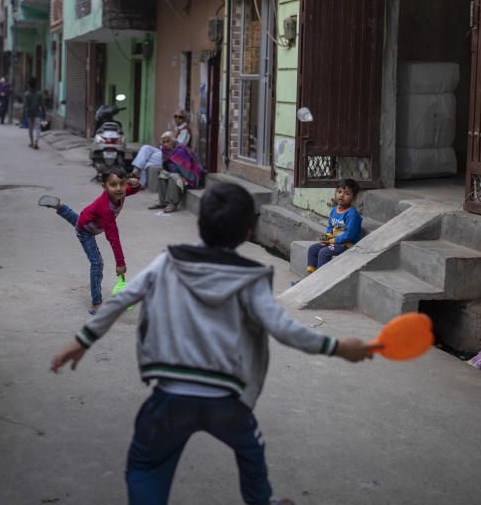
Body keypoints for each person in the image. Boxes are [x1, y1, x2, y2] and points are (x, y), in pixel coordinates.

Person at [50, 182, 374, 505]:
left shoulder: (169, 261)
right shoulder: (253, 278)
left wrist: (82, 341)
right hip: (227, 403)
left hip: (169, 399)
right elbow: (286, 329)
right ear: (248, 233)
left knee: (146, 465)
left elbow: (125, 298)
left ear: (197, 222)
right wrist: (340, 347)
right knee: (251, 454)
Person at [38, 166, 141, 314]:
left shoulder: (120, 193)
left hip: (88, 219)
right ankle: (96, 304)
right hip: (86, 231)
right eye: (113, 185)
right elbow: (113, 236)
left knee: (79, 221)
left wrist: (136, 184)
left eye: (122, 184)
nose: (119, 188)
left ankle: (59, 207)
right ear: (104, 187)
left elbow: (133, 190)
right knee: (97, 263)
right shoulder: (107, 209)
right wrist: (120, 263)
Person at [305, 179, 363, 275]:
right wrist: (327, 237)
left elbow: (348, 236)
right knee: (313, 249)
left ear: (354, 198)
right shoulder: (334, 211)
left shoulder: (352, 215)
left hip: (346, 245)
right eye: (339, 192)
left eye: (347, 193)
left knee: (324, 252)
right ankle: (311, 275)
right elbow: (331, 227)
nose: (341, 195)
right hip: (334, 242)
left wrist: (330, 241)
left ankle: (320, 277)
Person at [148, 134, 206, 213]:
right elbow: (166, 165)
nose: (165, 144)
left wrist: (171, 169)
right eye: (164, 142)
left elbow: (183, 168)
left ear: (173, 141)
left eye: (168, 141)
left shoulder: (180, 150)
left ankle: (172, 204)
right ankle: (162, 202)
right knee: (162, 175)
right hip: (174, 172)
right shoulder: (165, 150)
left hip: (187, 176)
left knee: (174, 176)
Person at [23, 77, 43, 149]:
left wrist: (23, 114)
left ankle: (31, 142)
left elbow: (25, 105)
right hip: (37, 113)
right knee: (37, 128)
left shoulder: (27, 94)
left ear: (29, 84)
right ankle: (36, 142)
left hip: (30, 113)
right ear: (36, 84)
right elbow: (41, 105)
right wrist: (43, 114)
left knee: (30, 129)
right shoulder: (39, 94)